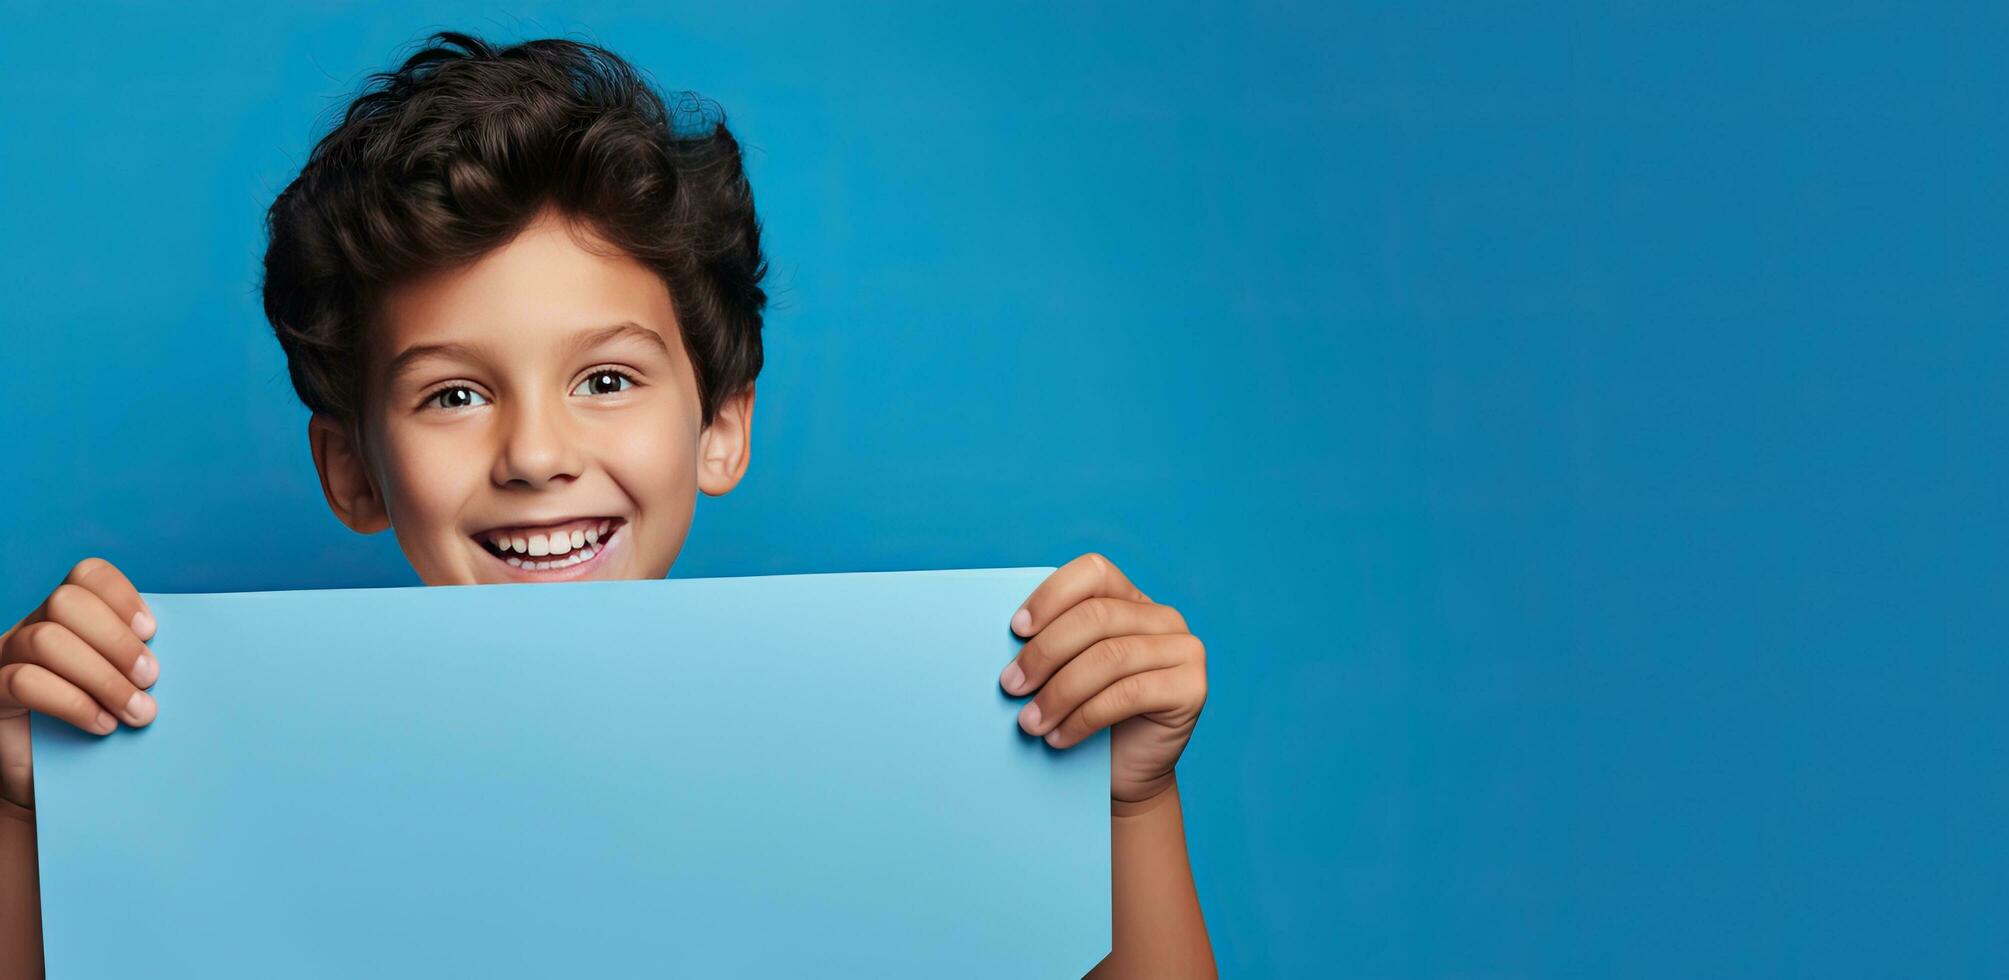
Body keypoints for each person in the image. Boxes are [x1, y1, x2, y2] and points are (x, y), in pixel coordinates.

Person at [0, 32, 1215, 978]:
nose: (537, 451)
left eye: (606, 378)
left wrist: (1127, 801)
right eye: (455, 392)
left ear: (720, 423)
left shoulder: (896, 764)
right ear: (353, 471)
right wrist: (20, 807)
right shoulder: (221, 804)